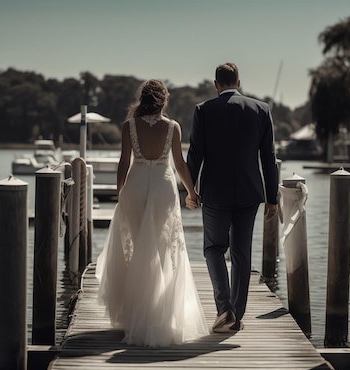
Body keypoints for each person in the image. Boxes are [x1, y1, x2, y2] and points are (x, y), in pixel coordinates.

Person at [96, 79, 209, 347]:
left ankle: (136, 313)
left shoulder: (128, 127)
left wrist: (120, 193)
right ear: (163, 100)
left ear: (142, 99)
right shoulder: (172, 127)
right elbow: (179, 163)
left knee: (136, 248)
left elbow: (124, 162)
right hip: (162, 186)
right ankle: (159, 314)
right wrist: (192, 193)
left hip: (135, 185)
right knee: (161, 249)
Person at [186, 62, 279, 333]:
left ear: (216, 85)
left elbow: (196, 154)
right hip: (250, 192)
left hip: (215, 191)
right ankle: (236, 315)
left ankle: (224, 308)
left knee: (214, 249)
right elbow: (268, 158)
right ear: (239, 82)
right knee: (242, 253)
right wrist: (272, 197)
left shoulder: (204, 110)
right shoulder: (261, 110)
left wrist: (190, 191)